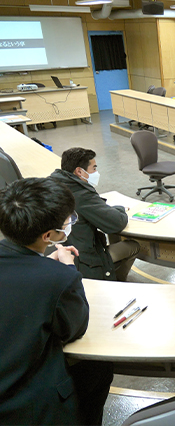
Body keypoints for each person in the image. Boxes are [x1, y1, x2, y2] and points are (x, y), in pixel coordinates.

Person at [0, 177, 113, 425]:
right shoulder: (59, 279)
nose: (69, 224)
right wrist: (67, 270)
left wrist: (43, 265)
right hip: (25, 408)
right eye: (66, 222)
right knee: (98, 368)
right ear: (48, 235)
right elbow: (75, 328)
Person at [49, 148, 140, 281]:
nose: (96, 173)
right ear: (79, 171)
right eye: (94, 168)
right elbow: (117, 222)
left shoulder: (52, 184)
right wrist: (120, 209)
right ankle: (116, 284)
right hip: (84, 260)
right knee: (132, 246)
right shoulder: (81, 194)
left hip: (58, 252)